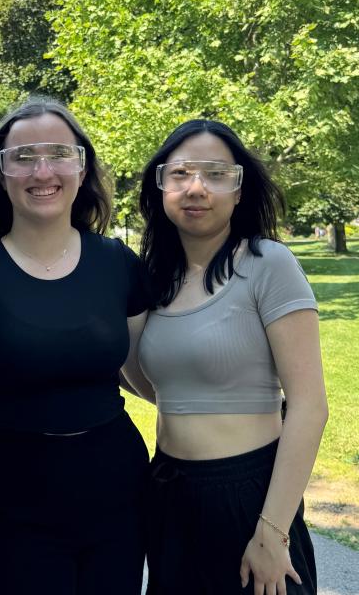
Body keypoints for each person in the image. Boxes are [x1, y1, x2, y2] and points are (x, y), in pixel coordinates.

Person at [0, 97, 150, 595]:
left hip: (116, 489)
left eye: (58, 154)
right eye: (24, 157)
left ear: (82, 167)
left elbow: (144, 375)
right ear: (2, 173)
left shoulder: (119, 264)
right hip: (14, 498)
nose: (43, 170)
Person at [133, 119, 328, 594]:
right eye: (180, 174)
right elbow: (144, 377)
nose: (196, 188)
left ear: (239, 190)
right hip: (170, 493)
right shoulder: (153, 278)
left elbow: (310, 405)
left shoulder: (267, 264)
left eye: (216, 174)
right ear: (160, 185)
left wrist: (272, 529)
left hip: (250, 497)